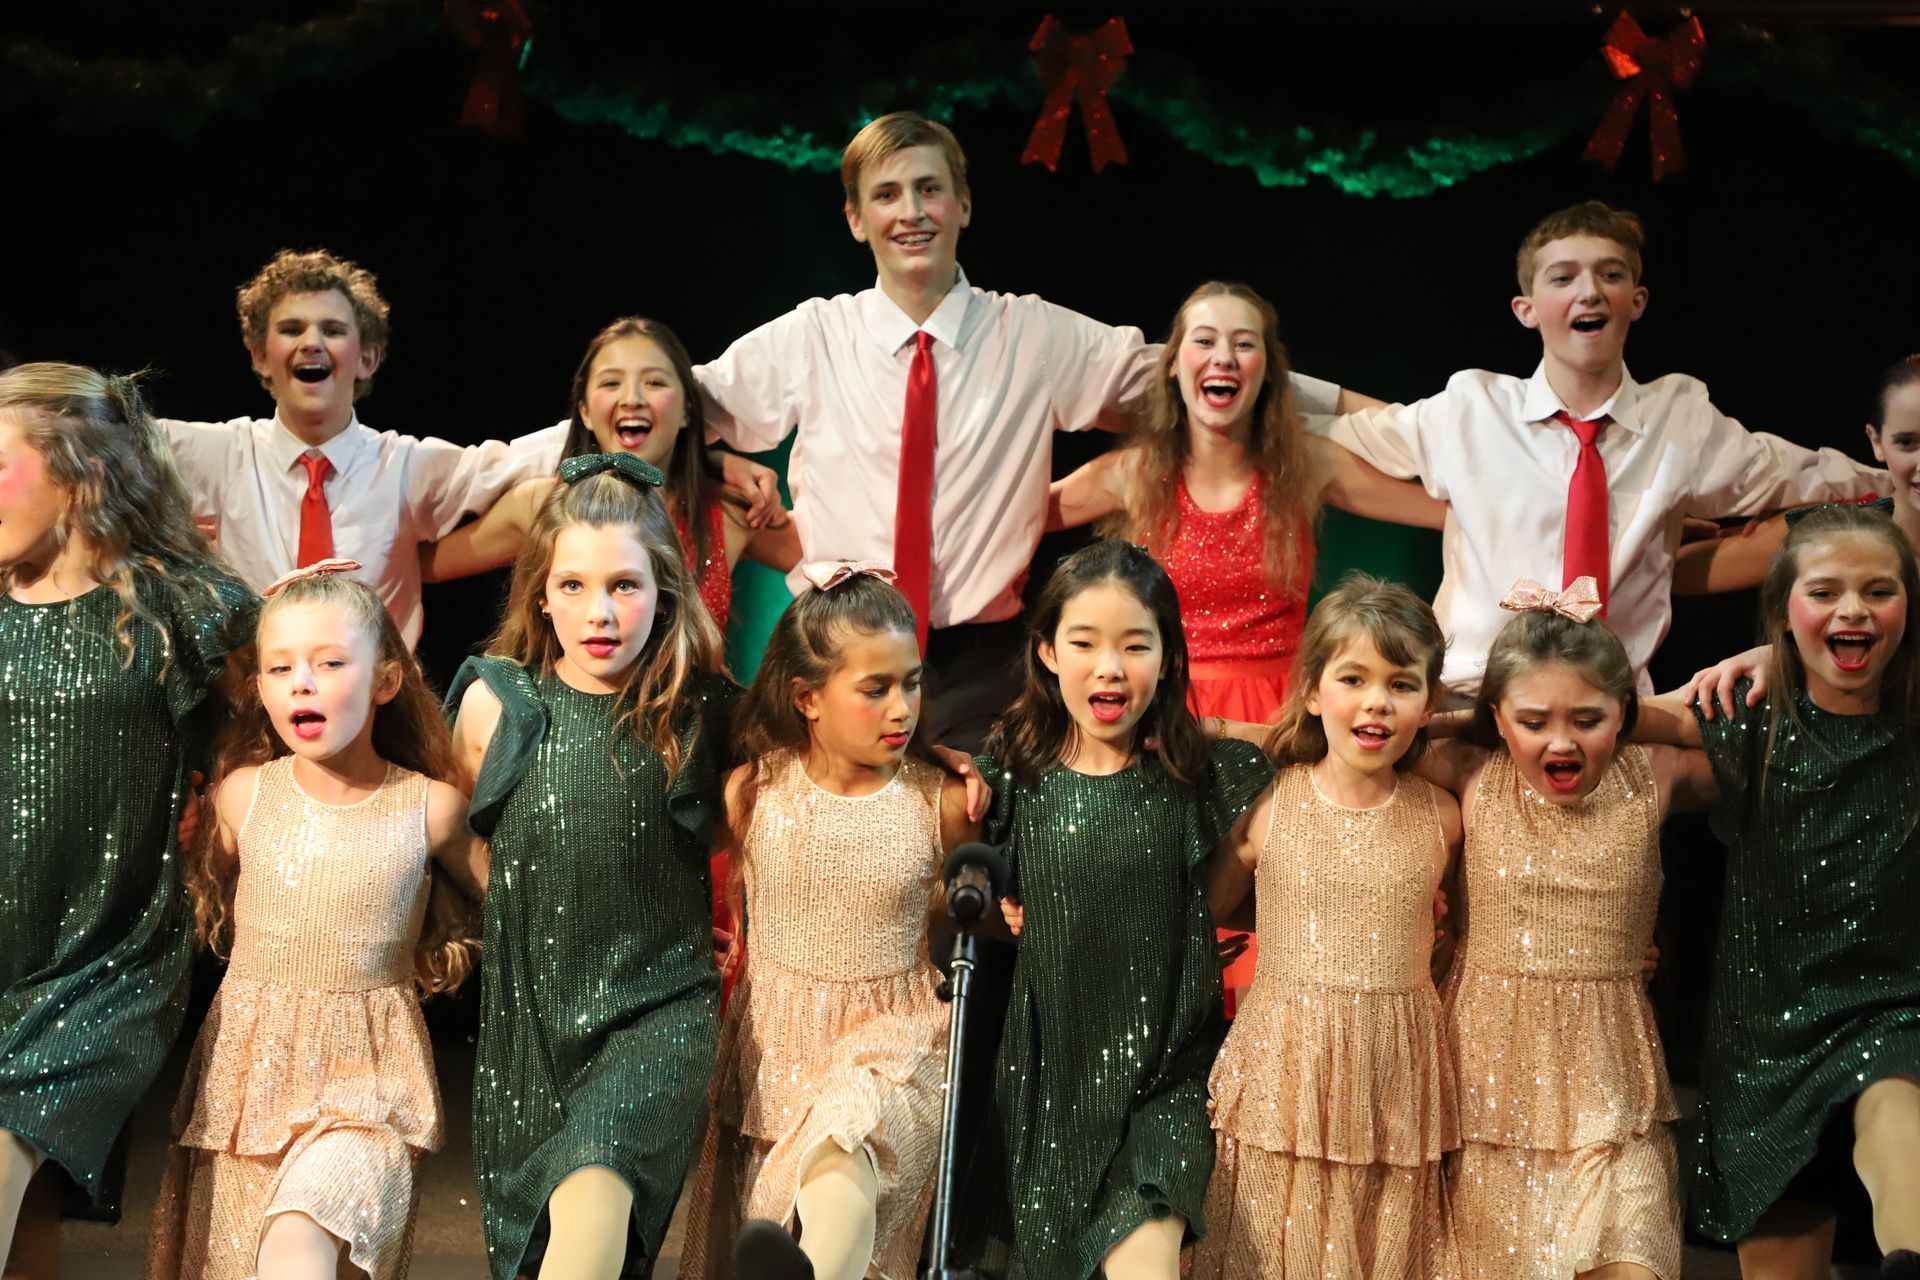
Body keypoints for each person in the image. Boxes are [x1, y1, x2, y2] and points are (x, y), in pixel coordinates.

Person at [694, 111, 1368, 751]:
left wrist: (1393, 420)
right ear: (854, 218)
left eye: (930, 189)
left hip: (979, 665)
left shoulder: (1032, 335)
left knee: (974, 844)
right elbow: (663, 408)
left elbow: (1192, 374)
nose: (911, 212)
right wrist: (717, 463)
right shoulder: (814, 336)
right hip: (834, 642)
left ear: (963, 204)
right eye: (887, 194)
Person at [1315, 200, 1887, 696]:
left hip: (1608, 705)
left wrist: (1900, 481)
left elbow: (1809, 477)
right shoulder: (1472, 408)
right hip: (1474, 697)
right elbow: (1319, 435)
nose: (1588, 291)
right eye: (1563, 278)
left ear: (1636, 301)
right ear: (1527, 309)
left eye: (1609, 276)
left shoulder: (1679, 420)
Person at [145, 563, 485, 1280]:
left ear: (386, 681)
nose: (302, 681)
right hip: (248, 1083)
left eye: (330, 663)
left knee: (298, 1245)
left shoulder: (428, 808)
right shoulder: (243, 798)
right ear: (259, 687)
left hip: (371, 1089)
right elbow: (171, 893)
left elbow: (526, 904)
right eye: (280, 666)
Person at [448, 453, 732, 1280]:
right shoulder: (497, 703)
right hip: (533, 1030)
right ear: (540, 592)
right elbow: (454, 834)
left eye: (625, 586)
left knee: (597, 1191)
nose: (599, 612)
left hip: (661, 1010)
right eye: (573, 586)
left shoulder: (699, 713)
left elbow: (817, 759)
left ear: (666, 591)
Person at [0, 363, 255, 1272]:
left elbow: (267, 726)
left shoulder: (182, 604)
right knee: (25, 1208)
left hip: (107, 958)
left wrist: (226, 823)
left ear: (82, 470)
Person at [974, 541, 1272, 1279]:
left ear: (1169, 659)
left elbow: (1302, 746)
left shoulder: (1205, 778)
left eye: (1136, 646)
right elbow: (959, 891)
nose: (1109, 667)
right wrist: (994, 912)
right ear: (1046, 652)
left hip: (1164, 1085)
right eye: (1084, 643)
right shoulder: (1010, 779)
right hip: (1049, 1096)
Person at [1642, 502, 1920, 1279]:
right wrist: (1463, 718)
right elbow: (1607, 718)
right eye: (1825, 591)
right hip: (1766, 1038)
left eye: (1880, 591)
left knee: (1895, 1091)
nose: (1854, 610)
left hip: (1892, 1004)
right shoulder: (1750, 717)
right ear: (1784, 612)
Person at [680, 563, 978, 1280]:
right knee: (798, 1224)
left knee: (849, 1137)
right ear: (807, 699)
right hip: (776, 1058)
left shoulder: (940, 800)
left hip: (895, 1046)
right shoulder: (754, 791)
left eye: (910, 682)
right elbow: (682, 881)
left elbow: (984, 913)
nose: (901, 708)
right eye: (874, 690)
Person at [1419, 581, 1715, 1279]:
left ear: (1625, 715)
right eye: (1533, 720)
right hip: (1489, 1096)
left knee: (1633, 1257)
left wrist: (1659, 719)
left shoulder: (1655, 773)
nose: (1561, 740)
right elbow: (1353, 738)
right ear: (1497, 717)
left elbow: (1776, 733)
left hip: (1614, 1092)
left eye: (1587, 718)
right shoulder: (1473, 772)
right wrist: (1458, 725)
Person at [1191, 574, 1460, 1279]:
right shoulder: (1269, 803)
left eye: (1402, 684)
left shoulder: (1443, 816)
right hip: (1287, 1078)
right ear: (1314, 692)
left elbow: (1468, 930)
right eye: (1353, 678)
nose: (1377, 701)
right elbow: (1206, 911)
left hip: (1393, 1085)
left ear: (1429, 703)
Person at [1050, 281, 1446, 723]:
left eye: (1243, 344)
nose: (1223, 357)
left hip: (1283, 720)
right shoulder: (1137, 473)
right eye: (1204, 341)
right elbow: (1009, 516)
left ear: (1271, 371)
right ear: (1172, 365)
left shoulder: (1305, 465)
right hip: (1163, 718)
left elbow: (1439, 488)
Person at [420, 315, 802, 627]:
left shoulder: (732, 512)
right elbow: (414, 567)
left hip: (699, 721)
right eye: (611, 383)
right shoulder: (539, 504)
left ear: (688, 408)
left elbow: (838, 555)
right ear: (584, 411)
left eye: (654, 382)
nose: (632, 398)